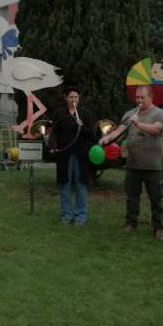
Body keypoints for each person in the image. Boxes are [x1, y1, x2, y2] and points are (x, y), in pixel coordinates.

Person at [101, 85, 163, 239]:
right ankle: (131, 222)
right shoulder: (129, 114)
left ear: (151, 97)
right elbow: (119, 131)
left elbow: (157, 130)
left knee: (156, 198)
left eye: (143, 97)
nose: (139, 100)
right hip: (133, 163)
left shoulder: (159, 113)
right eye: (137, 97)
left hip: (152, 165)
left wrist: (139, 124)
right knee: (132, 196)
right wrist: (107, 138)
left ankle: (159, 227)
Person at [50, 86, 96, 225]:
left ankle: (80, 215)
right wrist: (53, 146)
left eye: (76, 97)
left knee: (81, 185)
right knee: (65, 184)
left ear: (79, 98)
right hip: (65, 154)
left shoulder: (85, 114)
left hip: (81, 155)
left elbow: (92, 136)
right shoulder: (60, 113)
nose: (73, 99)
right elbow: (54, 132)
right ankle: (67, 214)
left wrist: (82, 127)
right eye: (71, 97)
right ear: (66, 97)